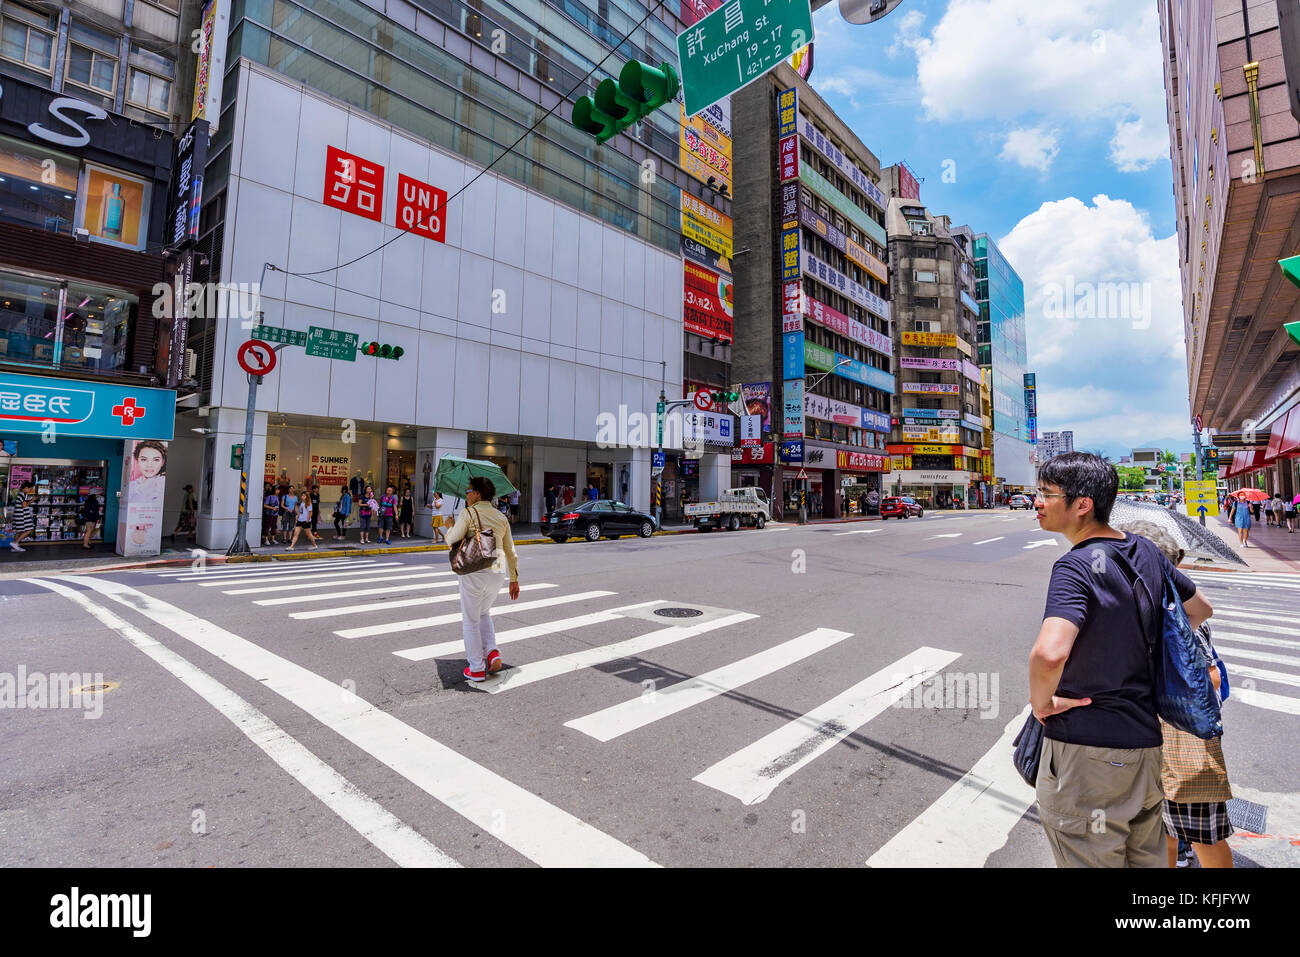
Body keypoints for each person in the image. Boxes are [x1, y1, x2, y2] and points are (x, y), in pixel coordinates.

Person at [1028, 452, 1213, 868]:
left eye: (1046, 493)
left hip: (1089, 754)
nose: (1036, 501)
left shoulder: (1075, 566)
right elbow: (1199, 610)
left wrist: (1043, 704)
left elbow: (1049, 652)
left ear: (1082, 504)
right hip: (1145, 747)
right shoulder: (1146, 551)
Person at [1113, 519, 1235, 870]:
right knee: (1160, 835)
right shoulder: (1159, 610)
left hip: (1183, 740)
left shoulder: (1176, 618)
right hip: (1157, 743)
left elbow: (1207, 679)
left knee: (1204, 837)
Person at [445, 475, 520, 682]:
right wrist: (514, 578)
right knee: (484, 612)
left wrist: (449, 525)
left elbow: (452, 539)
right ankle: (492, 651)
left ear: (477, 493)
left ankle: (477, 667)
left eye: (469, 491)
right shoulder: (501, 517)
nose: (466, 495)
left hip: (475, 571)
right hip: (498, 571)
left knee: (470, 620)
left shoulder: (469, 513)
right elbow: (510, 550)